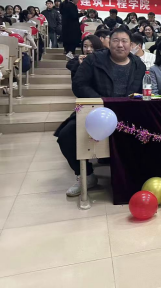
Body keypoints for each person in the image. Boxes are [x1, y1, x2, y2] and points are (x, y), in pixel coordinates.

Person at [56, 27, 146, 197]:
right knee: (66, 136)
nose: (120, 45)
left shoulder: (138, 65)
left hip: (127, 113)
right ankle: (86, 175)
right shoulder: (94, 59)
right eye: (116, 40)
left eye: (124, 41)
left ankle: (133, 174)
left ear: (131, 45)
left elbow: (140, 91)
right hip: (94, 112)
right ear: (108, 43)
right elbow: (79, 84)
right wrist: (102, 101)